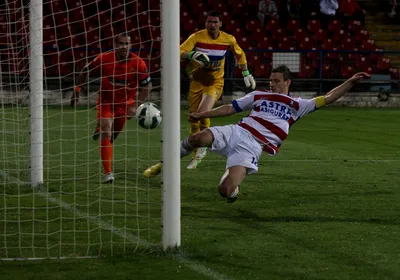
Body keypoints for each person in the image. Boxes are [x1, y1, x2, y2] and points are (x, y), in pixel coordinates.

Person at [143, 65, 369, 202]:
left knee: (224, 190)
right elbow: (230, 108)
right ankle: (163, 164)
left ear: (287, 82)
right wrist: (203, 114)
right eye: (270, 80)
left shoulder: (299, 104)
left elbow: (328, 97)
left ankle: (233, 190)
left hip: (251, 147)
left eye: (276, 81)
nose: (272, 84)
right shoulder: (258, 95)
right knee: (197, 138)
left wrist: (349, 81)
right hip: (237, 131)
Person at [71, 33, 152, 183]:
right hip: (106, 101)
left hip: (125, 105)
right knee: (106, 133)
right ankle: (108, 173)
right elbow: (86, 69)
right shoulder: (105, 58)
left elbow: (147, 86)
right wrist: (77, 89)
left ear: (130, 45)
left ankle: (100, 128)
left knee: (112, 137)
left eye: (126, 44)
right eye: (121, 44)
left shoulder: (139, 63)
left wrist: (135, 104)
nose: (124, 47)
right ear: (115, 45)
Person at [179, 10, 256, 170]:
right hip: (197, 81)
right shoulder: (197, 37)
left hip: (215, 82)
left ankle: (202, 148)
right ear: (205, 23)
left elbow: (240, 55)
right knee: (193, 118)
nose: (212, 25)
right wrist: (191, 54)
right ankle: (196, 153)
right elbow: (179, 51)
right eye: (209, 22)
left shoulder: (228, 39)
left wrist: (246, 73)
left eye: (215, 22)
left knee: (202, 112)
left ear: (220, 23)